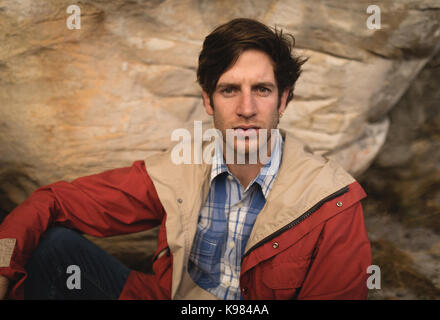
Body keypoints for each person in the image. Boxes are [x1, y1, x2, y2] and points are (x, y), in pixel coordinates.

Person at [0, 18, 371, 300]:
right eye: (229, 90)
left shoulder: (330, 199)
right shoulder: (180, 169)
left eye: (262, 90)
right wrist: (2, 263)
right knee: (52, 247)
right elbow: (54, 200)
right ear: (209, 101)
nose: (246, 108)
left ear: (284, 100)